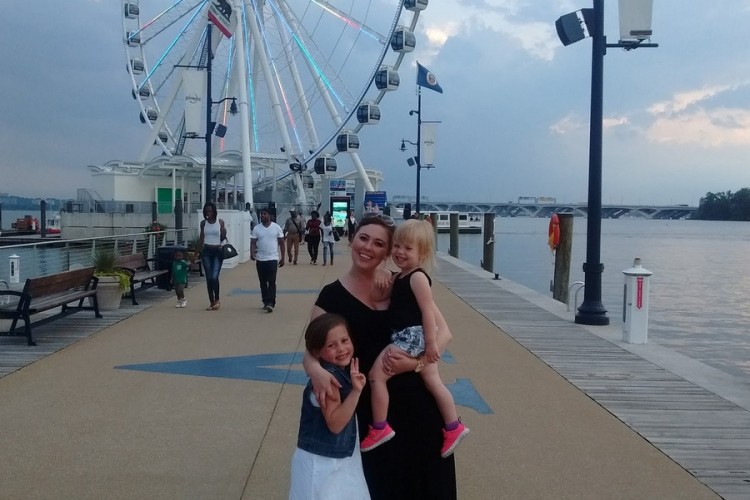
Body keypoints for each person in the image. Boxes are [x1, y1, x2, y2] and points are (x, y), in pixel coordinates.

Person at [304, 214, 457, 499]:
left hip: (417, 403)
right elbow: (312, 350)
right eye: (363, 238)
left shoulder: (401, 283)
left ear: (387, 252)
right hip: (373, 412)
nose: (368, 248)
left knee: (428, 484)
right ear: (352, 239)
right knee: (382, 485)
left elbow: (443, 331)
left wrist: (417, 362)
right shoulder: (332, 295)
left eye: (378, 243)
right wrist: (316, 371)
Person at [360, 219, 469, 458]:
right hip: (412, 335)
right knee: (434, 382)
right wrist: (381, 276)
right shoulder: (400, 277)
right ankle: (453, 426)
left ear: (423, 253)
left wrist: (429, 344)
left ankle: (379, 426)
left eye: (408, 248)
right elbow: (380, 301)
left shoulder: (418, 278)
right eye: (397, 246)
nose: (400, 252)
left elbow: (428, 311)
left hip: (410, 336)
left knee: (377, 377)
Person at [289, 313, 370, 500]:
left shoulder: (335, 373)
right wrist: (356, 392)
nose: (341, 349)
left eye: (344, 340)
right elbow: (335, 424)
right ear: (317, 352)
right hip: (325, 463)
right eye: (331, 345)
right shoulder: (328, 382)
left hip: (333, 459)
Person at [251, 208, 285, 313]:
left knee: (271, 281)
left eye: (265, 214)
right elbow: (253, 242)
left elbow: (282, 243)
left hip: (272, 258)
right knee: (262, 282)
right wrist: (252, 253)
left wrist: (283, 257)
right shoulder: (257, 229)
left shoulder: (276, 228)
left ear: (270, 216)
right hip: (260, 259)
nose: (262, 216)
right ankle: (265, 301)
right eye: (261, 214)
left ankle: (271, 302)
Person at [198, 202, 226, 311]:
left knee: (214, 277)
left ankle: (217, 299)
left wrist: (223, 231)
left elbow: (223, 238)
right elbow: (201, 238)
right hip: (206, 251)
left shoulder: (220, 222)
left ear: (214, 211)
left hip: (217, 251)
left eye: (210, 211)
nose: (208, 213)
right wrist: (196, 253)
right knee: (209, 278)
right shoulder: (203, 223)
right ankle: (211, 301)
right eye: (206, 211)